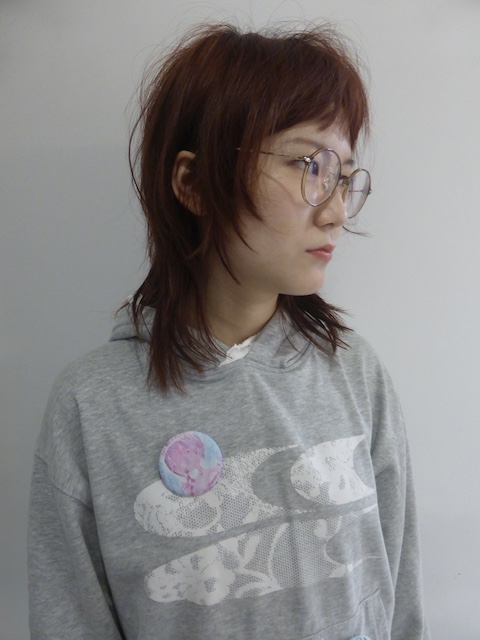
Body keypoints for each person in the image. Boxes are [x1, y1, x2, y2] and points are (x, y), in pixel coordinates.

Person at [28, 22, 430, 640]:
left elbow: (398, 602)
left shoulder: (356, 374)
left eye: (344, 176)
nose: (335, 211)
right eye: (309, 165)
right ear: (193, 184)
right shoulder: (93, 406)